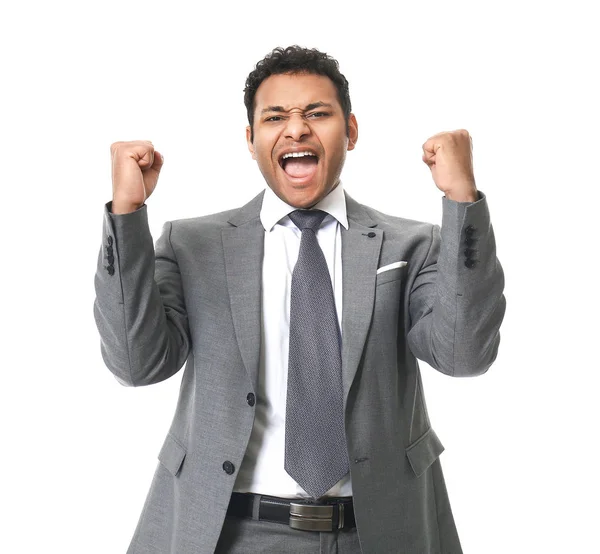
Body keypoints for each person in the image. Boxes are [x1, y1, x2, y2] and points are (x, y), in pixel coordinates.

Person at [94, 45, 505, 554]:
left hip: (380, 531)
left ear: (350, 130)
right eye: (275, 117)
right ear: (251, 139)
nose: (296, 130)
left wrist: (462, 203)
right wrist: (127, 214)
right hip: (229, 531)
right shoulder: (191, 245)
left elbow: (465, 355)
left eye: (317, 113)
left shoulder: (411, 245)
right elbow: (137, 364)